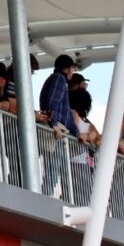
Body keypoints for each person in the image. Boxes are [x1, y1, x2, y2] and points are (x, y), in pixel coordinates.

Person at [38, 54, 79, 194]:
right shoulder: (59, 79)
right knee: (52, 169)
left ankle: (46, 193)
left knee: (52, 169)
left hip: (59, 128)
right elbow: (52, 103)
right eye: (72, 69)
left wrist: (77, 133)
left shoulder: (57, 79)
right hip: (57, 129)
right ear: (67, 69)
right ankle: (45, 195)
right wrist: (53, 124)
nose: (72, 72)